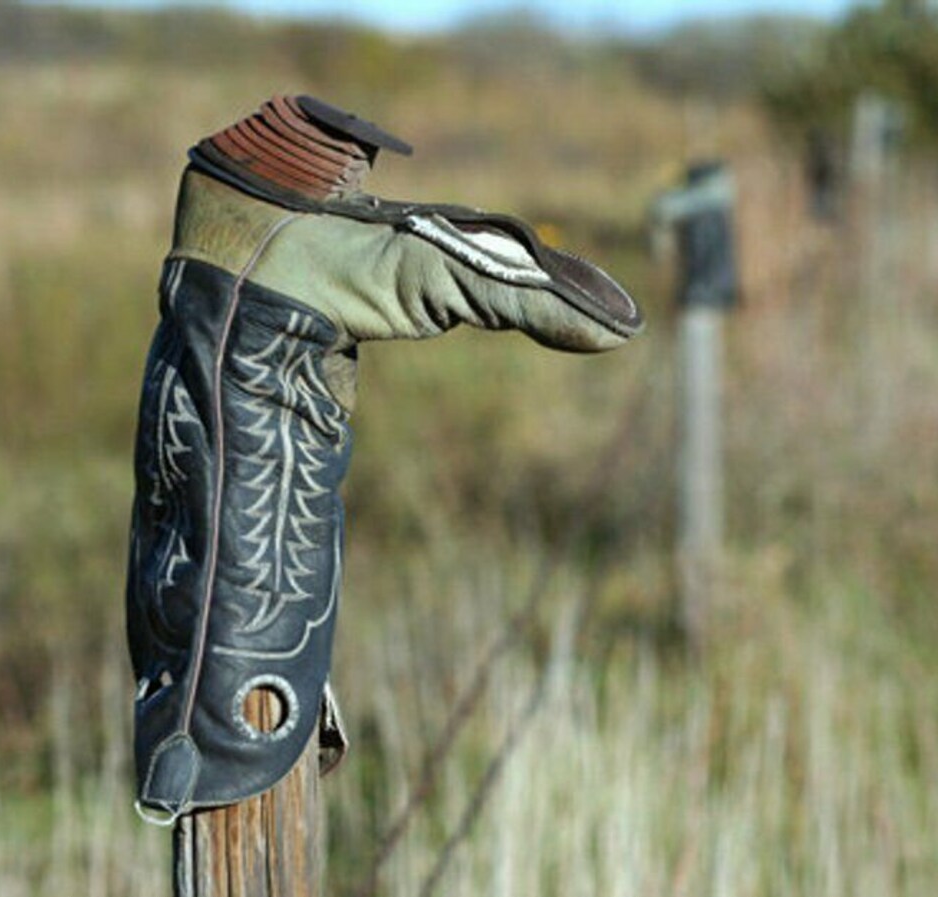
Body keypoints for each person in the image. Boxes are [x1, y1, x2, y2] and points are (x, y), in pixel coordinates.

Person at [126, 95, 643, 823]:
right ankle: (224, 711)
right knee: (233, 411)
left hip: (214, 707)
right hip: (227, 725)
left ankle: (221, 710)